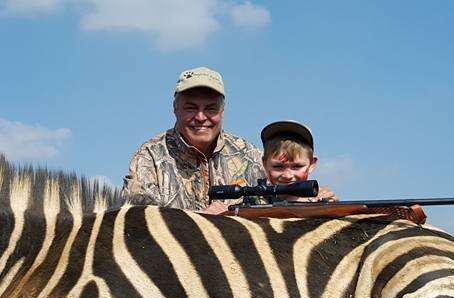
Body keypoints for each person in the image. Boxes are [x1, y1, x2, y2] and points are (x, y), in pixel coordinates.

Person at [123, 67, 265, 214]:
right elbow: (137, 219)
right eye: (191, 108)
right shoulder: (150, 157)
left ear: (222, 111)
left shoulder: (249, 155)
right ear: (175, 109)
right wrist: (199, 220)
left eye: (211, 109)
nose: (201, 117)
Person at [260, 120, 337, 202]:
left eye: (297, 166)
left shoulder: (320, 198)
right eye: (278, 166)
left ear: (312, 164)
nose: (287, 176)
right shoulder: (254, 200)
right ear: (265, 164)